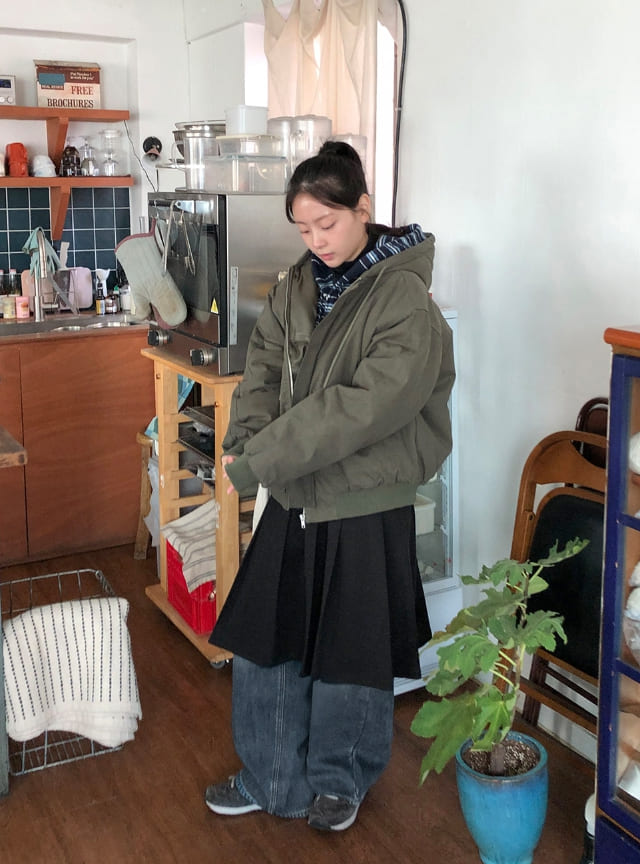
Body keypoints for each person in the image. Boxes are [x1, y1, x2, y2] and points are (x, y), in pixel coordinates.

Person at [204, 141, 455, 831]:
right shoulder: (297, 285)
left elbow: (359, 409)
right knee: (267, 640)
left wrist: (262, 459)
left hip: (365, 497)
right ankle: (273, 778)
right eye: (304, 228)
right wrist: (242, 443)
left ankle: (340, 782)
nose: (317, 240)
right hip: (295, 488)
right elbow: (261, 370)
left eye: (328, 223)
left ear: (363, 208)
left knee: (352, 652)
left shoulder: (404, 300)